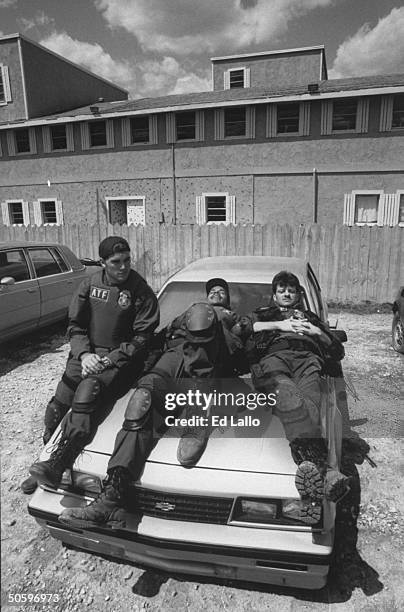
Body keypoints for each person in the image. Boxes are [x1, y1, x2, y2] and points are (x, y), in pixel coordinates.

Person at [58, 301, 239, 529]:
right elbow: (147, 340)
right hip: (174, 359)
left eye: (222, 291)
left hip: (205, 374)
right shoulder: (179, 321)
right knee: (141, 400)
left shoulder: (232, 322)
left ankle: (198, 414)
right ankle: (111, 499)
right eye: (212, 289)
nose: (216, 293)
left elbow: (256, 339)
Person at [26, 236, 159, 493]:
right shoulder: (89, 284)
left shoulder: (140, 290)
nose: (123, 266)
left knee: (86, 397)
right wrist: (84, 355)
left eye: (127, 260)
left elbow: (143, 337)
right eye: (116, 262)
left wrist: (110, 359)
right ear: (102, 262)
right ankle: (43, 458)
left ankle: (59, 464)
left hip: (119, 359)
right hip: (87, 355)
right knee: (57, 405)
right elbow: (75, 326)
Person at [234, 270, 349, 524]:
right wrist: (280, 325)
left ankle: (316, 483)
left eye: (291, 289)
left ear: (298, 295)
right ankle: (325, 472)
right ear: (274, 295)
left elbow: (337, 350)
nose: (287, 293)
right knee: (289, 398)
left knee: (309, 406)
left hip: (308, 363)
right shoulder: (263, 314)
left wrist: (315, 332)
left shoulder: (311, 318)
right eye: (282, 289)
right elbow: (239, 328)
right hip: (274, 361)